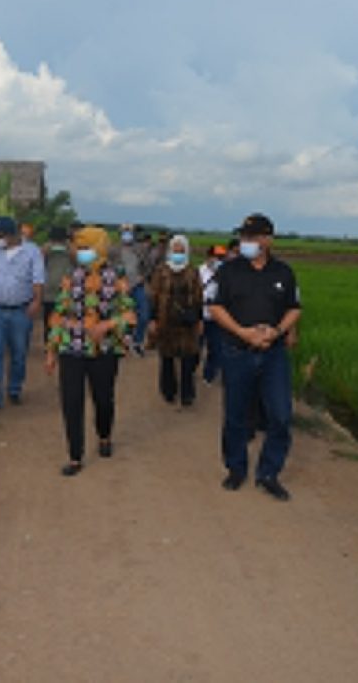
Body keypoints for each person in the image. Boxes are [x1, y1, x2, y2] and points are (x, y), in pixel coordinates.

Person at [209, 213, 302, 501]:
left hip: (272, 354)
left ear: (267, 239)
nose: (245, 242)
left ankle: (268, 473)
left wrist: (277, 331)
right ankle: (236, 469)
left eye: (251, 237)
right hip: (237, 351)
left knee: (280, 415)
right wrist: (243, 332)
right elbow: (215, 307)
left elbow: (294, 307)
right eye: (243, 237)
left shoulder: (283, 273)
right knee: (236, 415)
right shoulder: (228, 271)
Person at [45, 226, 136, 476]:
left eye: (86, 247)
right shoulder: (70, 276)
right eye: (79, 247)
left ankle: (104, 435)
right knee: (71, 401)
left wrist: (107, 325)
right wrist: (52, 350)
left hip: (104, 350)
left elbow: (128, 314)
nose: (80, 252)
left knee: (103, 399)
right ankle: (75, 456)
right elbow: (59, 314)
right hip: (71, 348)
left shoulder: (116, 277)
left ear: (99, 248)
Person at [0, 216, 45, 409]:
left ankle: (14, 389)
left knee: (18, 352)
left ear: (12, 234)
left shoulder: (32, 252)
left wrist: (37, 301)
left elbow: (38, 279)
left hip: (21, 310)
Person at [148, 234, 204, 408]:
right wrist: (152, 319)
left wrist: (200, 319)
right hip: (165, 320)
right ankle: (168, 391)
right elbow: (153, 297)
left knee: (188, 360)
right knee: (167, 359)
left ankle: (187, 394)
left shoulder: (193, 272)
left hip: (187, 323)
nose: (178, 254)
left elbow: (198, 297)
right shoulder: (161, 271)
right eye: (175, 250)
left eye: (181, 251)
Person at [111, 223, 152, 355]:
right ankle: (122, 343)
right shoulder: (114, 250)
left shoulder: (140, 249)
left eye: (129, 231)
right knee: (121, 316)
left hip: (137, 285)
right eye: (124, 231)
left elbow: (148, 267)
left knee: (144, 315)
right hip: (120, 287)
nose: (127, 234)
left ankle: (137, 341)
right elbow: (109, 268)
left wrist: (143, 277)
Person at [198, 243, 227, 384]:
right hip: (200, 316)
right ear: (209, 257)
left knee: (216, 348)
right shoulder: (198, 272)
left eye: (222, 257)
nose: (219, 260)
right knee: (195, 347)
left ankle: (209, 374)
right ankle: (190, 369)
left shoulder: (226, 274)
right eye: (216, 257)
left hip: (217, 318)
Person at [42, 226, 73, 344]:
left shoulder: (69, 250)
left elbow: (77, 260)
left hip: (62, 289)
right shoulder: (47, 249)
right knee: (51, 318)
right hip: (53, 290)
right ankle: (52, 343)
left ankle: (57, 342)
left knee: (59, 318)